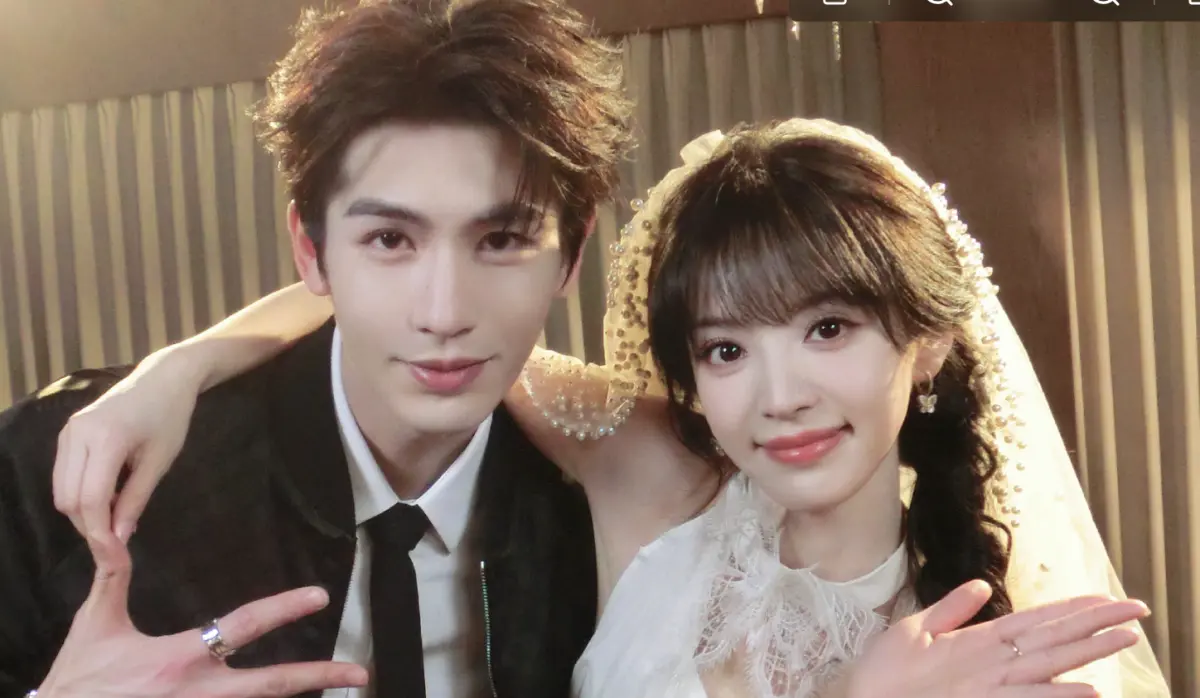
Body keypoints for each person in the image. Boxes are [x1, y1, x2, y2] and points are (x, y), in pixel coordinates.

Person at [46, 118, 1169, 698]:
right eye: (726, 348)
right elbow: (436, 321)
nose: (779, 394)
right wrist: (178, 372)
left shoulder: (996, 640)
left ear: (927, 342)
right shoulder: (658, 483)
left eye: (828, 329)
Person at [0, 0, 633, 696]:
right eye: (389, 240)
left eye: (503, 240)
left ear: (573, 255)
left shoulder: (602, 501)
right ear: (311, 250)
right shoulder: (75, 469)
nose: (445, 313)